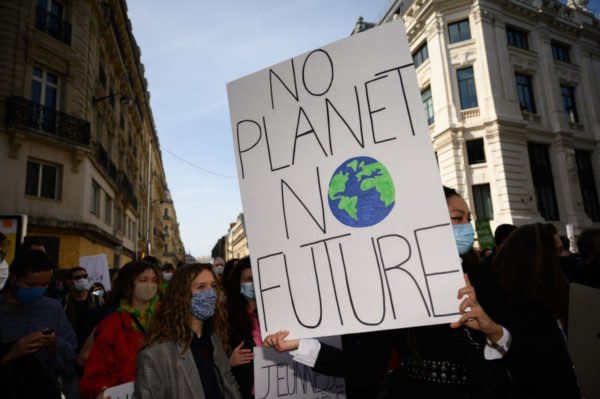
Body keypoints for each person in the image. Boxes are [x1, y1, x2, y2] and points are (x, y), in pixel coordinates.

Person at [264, 186, 511, 398]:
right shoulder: (398, 281)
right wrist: (299, 345)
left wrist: (491, 329)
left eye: (469, 218)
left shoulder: (484, 275)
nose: (468, 227)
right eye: (458, 218)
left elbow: (520, 350)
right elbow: (363, 364)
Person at [482, 223, 580, 397]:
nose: (564, 258)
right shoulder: (518, 309)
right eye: (556, 252)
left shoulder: (556, 296)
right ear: (537, 257)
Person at [134, 263, 241, 399]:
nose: (210, 293)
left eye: (213, 286)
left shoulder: (213, 338)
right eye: (200, 287)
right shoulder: (155, 354)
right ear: (181, 295)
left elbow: (228, 384)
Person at [0, 248, 78, 398]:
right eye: (32, 285)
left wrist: (55, 344)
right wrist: (11, 353)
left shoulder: (53, 308)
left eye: (44, 285)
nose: (38, 290)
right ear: (14, 278)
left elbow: (71, 357)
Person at [80, 261, 161, 399]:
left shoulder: (167, 318)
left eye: (154, 280)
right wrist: (101, 390)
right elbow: (95, 372)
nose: (150, 285)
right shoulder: (112, 324)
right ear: (129, 284)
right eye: (143, 280)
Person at [225, 257, 260, 399]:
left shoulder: (277, 312)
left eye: (256, 278)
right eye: (248, 279)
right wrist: (229, 361)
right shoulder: (227, 318)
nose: (253, 284)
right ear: (238, 284)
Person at [64, 266, 100, 348]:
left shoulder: (97, 300)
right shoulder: (64, 302)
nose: (82, 279)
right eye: (78, 277)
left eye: (85, 276)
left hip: (91, 346)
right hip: (71, 345)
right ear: (69, 282)